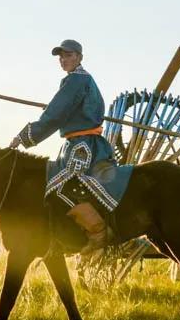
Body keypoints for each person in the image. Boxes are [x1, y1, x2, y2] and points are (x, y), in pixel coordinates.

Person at [8, 39, 118, 258]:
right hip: (80, 143)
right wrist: (53, 109)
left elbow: (55, 115)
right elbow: (63, 109)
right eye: (61, 57)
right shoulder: (82, 80)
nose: (63, 60)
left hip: (81, 146)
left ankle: (97, 234)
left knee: (58, 186)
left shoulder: (76, 80)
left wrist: (24, 135)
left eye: (68, 56)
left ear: (79, 57)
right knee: (60, 185)